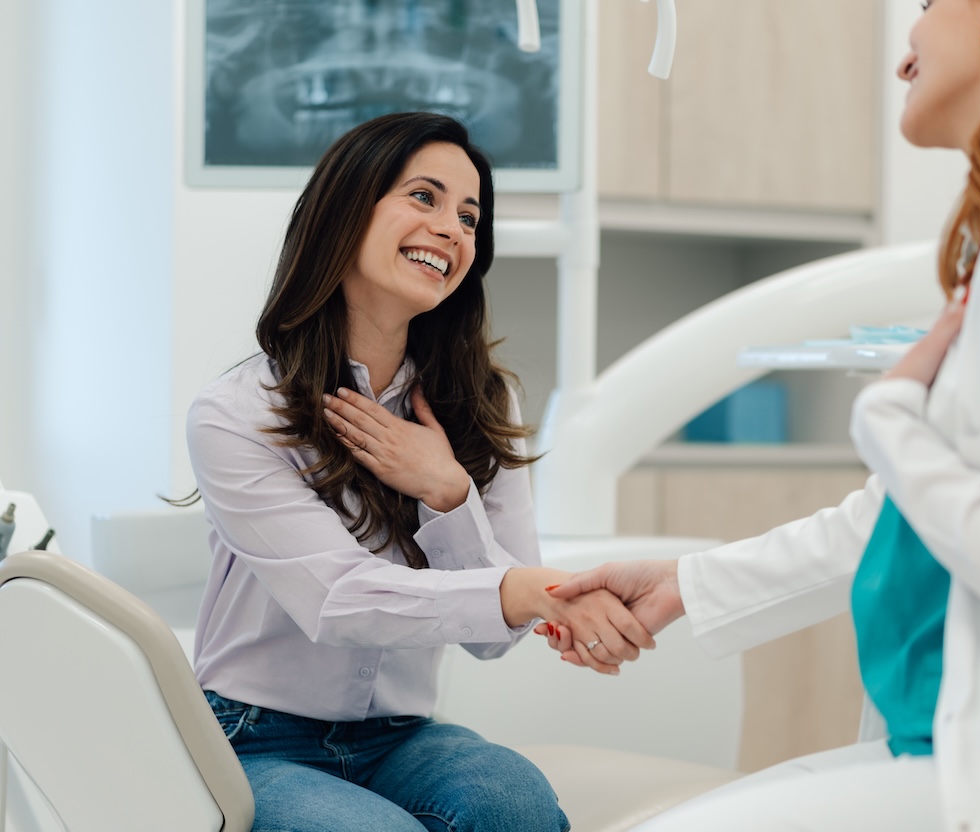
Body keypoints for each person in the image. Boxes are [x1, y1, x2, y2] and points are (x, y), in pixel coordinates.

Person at [541, 0, 980, 828]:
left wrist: (891, 423)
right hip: (979, 747)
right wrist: (685, 585)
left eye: (926, 8)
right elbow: (910, 522)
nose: (904, 57)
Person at [185, 111, 653, 832]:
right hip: (252, 737)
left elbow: (494, 636)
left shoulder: (481, 403)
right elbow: (339, 601)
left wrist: (448, 492)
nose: (454, 229)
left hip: (400, 735)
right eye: (424, 198)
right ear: (345, 211)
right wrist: (525, 589)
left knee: (515, 806)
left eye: (470, 216)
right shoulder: (237, 412)